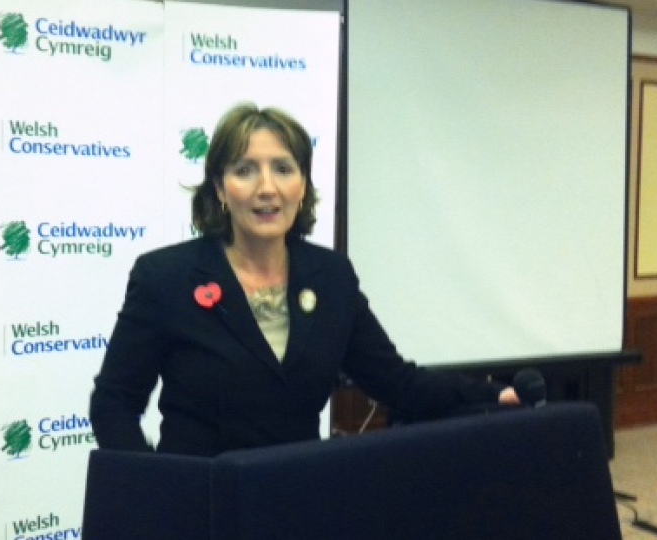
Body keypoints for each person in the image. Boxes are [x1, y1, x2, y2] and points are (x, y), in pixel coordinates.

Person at [89, 103, 519, 457]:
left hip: (297, 498)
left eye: (283, 168)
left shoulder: (332, 277)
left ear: (302, 184)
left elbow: (396, 383)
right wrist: (158, 491)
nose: (267, 188)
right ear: (220, 188)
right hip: (203, 506)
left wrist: (489, 396)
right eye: (245, 170)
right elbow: (114, 403)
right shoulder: (165, 278)